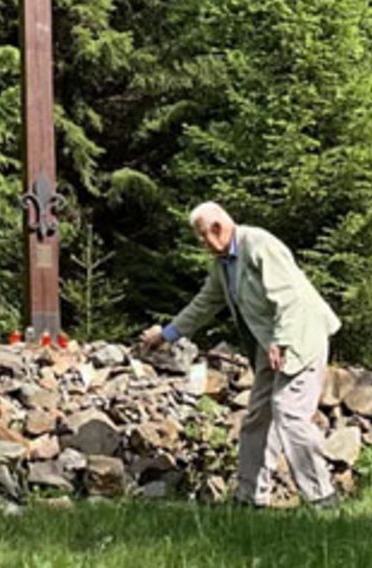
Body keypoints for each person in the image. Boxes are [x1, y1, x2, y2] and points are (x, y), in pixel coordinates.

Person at [138, 201, 342, 510]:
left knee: (289, 413)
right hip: (271, 343)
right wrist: (166, 334)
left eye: (202, 236)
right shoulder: (223, 263)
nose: (202, 243)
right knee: (257, 417)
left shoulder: (259, 244)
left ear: (218, 228)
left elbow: (289, 296)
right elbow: (204, 303)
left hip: (299, 337)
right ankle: (249, 498)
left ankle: (323, 497)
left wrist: (283, 342)